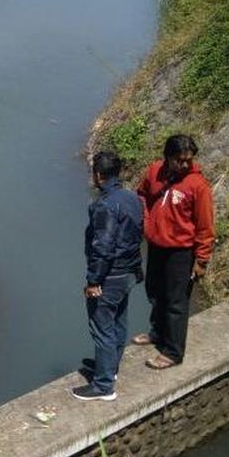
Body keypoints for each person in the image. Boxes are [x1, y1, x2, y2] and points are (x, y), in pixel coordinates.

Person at [134, 134, 215, 369]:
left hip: (181, 251)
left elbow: (205, 225)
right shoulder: (154, 172)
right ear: (168, 158)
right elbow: (142, 194)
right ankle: (157, 332)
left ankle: (173, 351)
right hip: (157, 245)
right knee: (156, 291)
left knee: (176, 301)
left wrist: (202, 258)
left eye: (188, 160)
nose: (185, 164)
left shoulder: (197, 186)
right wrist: (147, 221)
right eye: (180, 160)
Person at [72, 150, 144, 402]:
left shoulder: (105, 205)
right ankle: (110, 369)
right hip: (129, 272)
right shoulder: (132, 198)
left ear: (98, 176)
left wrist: (93, 281)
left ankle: (103, 386)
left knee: (102, 327)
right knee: (118, 322)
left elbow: (103, 246)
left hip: (109, 277)